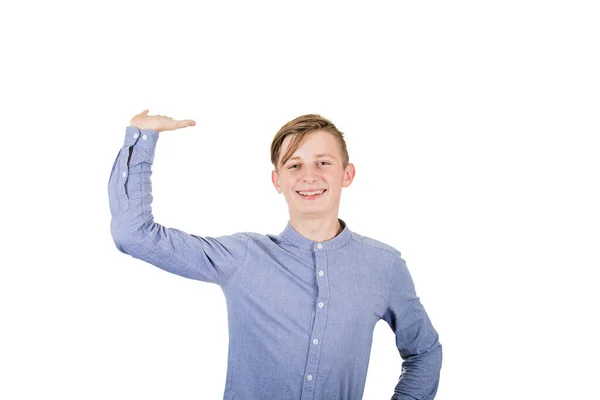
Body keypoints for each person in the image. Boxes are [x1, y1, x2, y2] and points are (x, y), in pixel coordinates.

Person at [108, 110, 443, 400]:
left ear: (347, 174)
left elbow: (424, 351)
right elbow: (134, 235)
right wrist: (142, 134)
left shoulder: (383, 267)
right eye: (294, 165)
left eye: (322, 163)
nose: (309, 176)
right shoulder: (243, 258)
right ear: (277, 181)